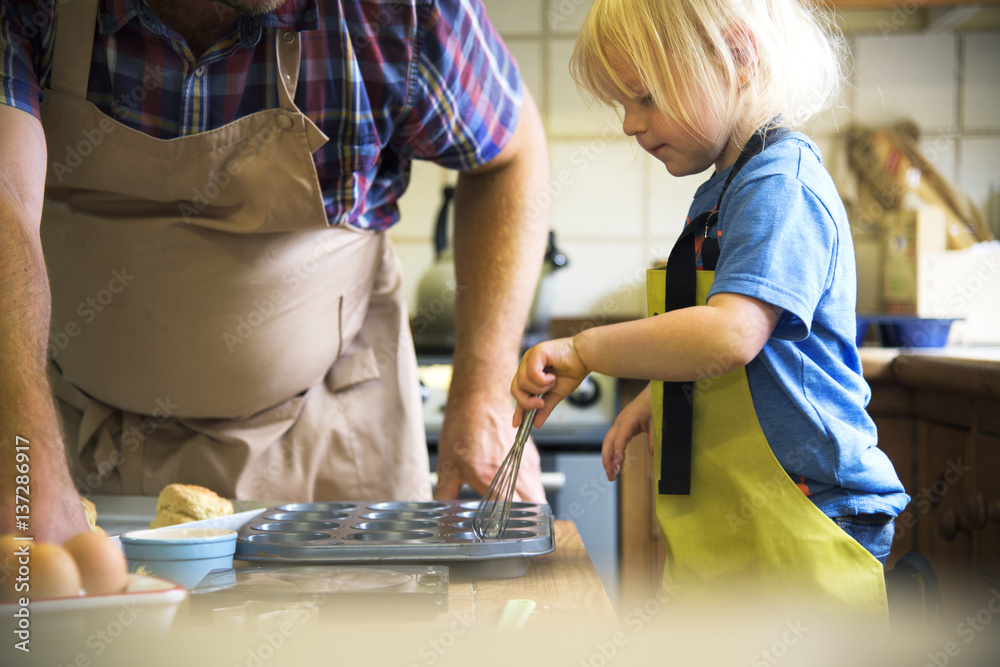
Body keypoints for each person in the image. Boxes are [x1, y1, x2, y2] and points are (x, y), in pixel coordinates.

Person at [0, 0, 549, 545]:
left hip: (328, 442)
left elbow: (511, 156)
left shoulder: (401, 11)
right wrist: (26, 459)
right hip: (65, 432)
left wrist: (481, 394)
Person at [511, 0, 910, 614]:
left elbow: (731, 333)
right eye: (622, 104)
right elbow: (754, 356)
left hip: (811, 516)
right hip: (745, 527)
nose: (628, 124)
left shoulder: (781, 184)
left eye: (644, 96)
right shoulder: (732, 187)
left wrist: (585, 348)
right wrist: (660, 397)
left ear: (738, 56)